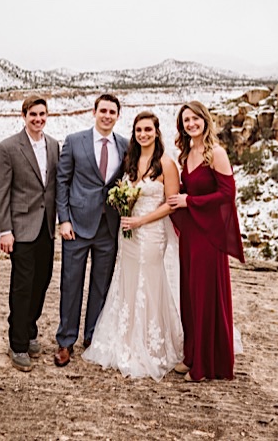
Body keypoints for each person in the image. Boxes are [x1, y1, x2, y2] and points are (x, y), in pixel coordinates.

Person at [82, 111, 185, 380]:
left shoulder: (166, 164)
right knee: (126, 280)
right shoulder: (130, 160)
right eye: (139, 130)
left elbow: (170, 205)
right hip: (128, 232)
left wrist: (141, 220)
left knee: (148, 282)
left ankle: (150, 344)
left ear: (156, 132)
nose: (143, 134)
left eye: (148, 130)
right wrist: (125, 208)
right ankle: (124, 338)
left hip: (151, 233)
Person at [168, 100, 244, 381]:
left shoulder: (216, 153)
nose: (191, 124)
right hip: (191, 235)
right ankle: (191, 355)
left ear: (205, 120)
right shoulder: (186, 154)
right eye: (186, 121)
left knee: (204, 298)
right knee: (189, 296)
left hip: (209, 237)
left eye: (195, 119)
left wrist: (190, 201)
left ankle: (206, 364)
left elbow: (227, 195)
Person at [54, 94, 127, 367]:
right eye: (103, 110)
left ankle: (93, 336)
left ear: (118, 115)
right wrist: (64, 220)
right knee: (71, 284)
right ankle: (65, 341)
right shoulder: (74, 141)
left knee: (101, 285)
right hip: (76, 226)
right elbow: (62, 181)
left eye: (112, 112)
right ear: (94, 112)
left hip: (108, 227)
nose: (107, 115)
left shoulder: (124, 145)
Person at [0, 95, 60, 372]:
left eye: (42, 114)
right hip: (20, 229)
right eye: (33, 114)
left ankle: (30, 330)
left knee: (41, 282)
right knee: (22, 286)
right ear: (24, 115)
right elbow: (0, 192)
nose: (38, 119)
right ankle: (17, 344)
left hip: (46, 228)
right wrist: (5, 230)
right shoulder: (8, 147)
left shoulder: (54, 146)